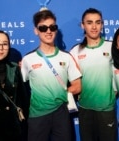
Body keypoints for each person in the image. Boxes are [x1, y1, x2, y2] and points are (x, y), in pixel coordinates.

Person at [20, 9, 82, 141]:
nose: (48, 31)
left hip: (61, 113)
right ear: (36, 31)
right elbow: (20, 88)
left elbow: (77, 86)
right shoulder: (27, 60)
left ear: (56, 30)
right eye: (43, 28)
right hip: (37, 115)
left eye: (52, 27)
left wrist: (60, 93)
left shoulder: (67, 57)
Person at [69, 8, 117, 141]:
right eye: (89, 22)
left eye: (98, 22)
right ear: (82, 25)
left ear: (102, 25)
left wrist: (114, 92)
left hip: (106, 109)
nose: (94, 26)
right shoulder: (75, 51)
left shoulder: (112, 47)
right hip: (85, 110)